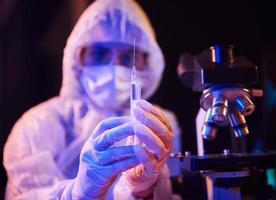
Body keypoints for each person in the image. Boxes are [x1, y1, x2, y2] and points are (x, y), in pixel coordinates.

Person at [3, 0, 181, 199]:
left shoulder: (159, 124)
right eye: (100, 53)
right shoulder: (36, 125)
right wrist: (80, 191)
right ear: (77, 57)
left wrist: (143, 188)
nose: (113, 67)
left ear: (148, 63)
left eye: (127, 57)